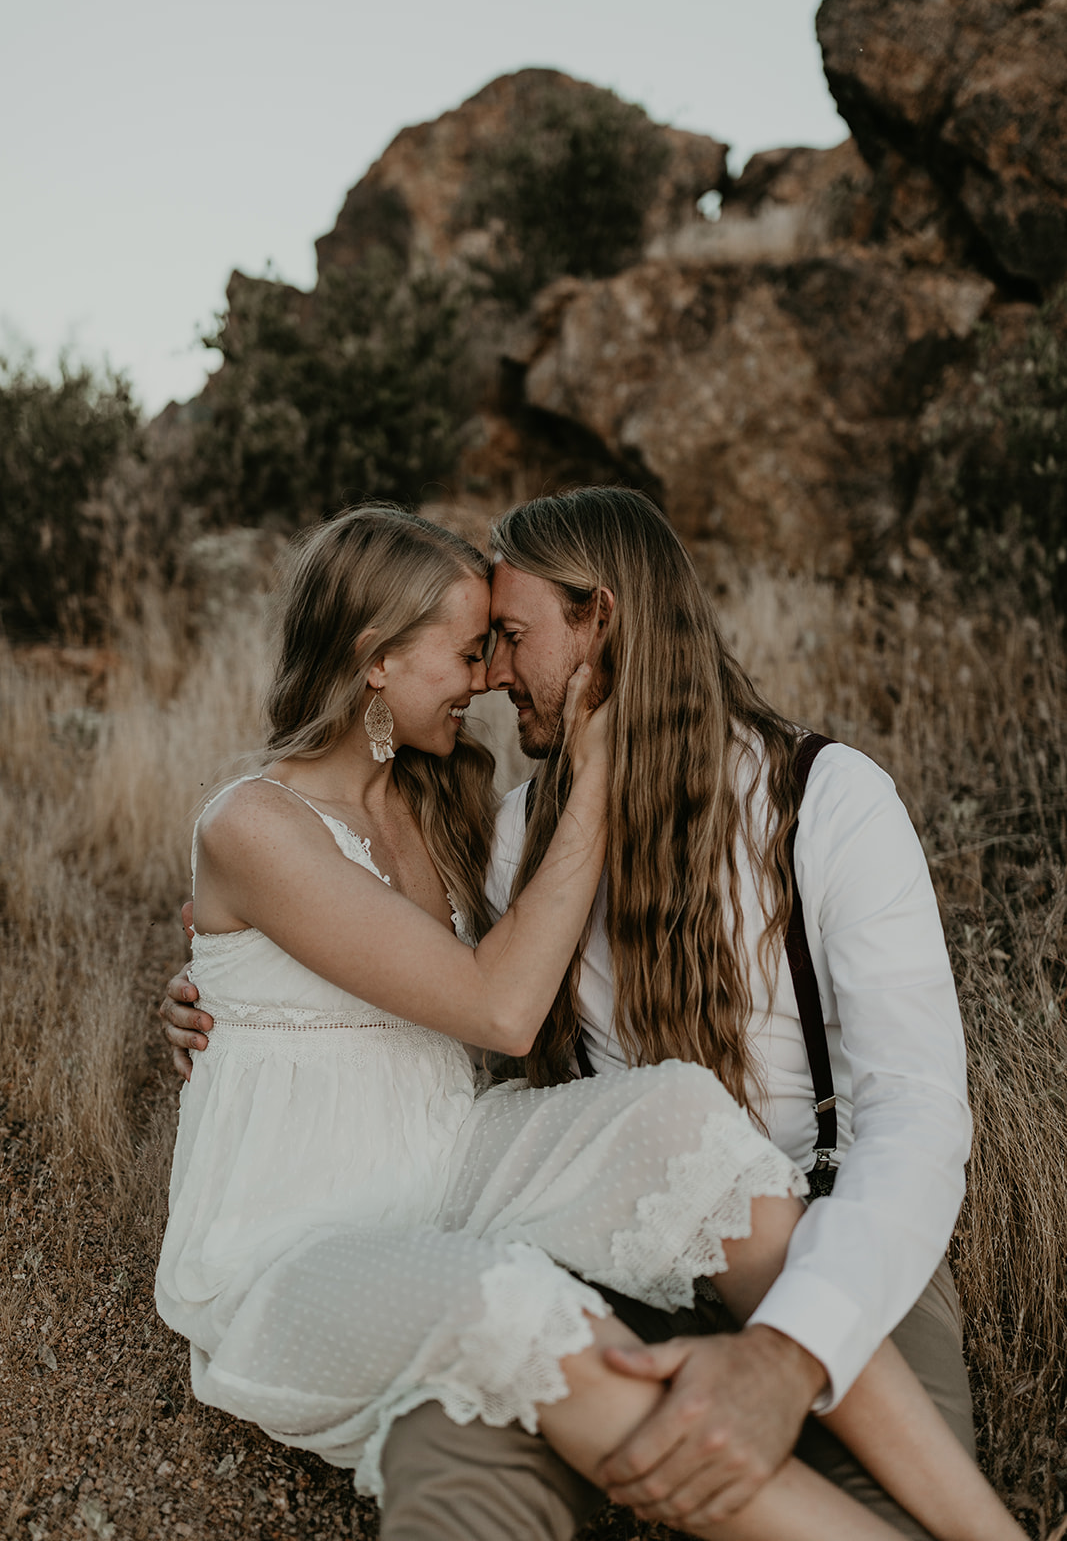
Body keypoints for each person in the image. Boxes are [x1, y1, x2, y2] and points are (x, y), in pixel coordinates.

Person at [160, 495, 997, 1541]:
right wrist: (218, 990)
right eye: (473, 649)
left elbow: (917, 1119)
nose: (493, 677)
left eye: (505, 641)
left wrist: (790, 1350)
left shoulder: (825, 803)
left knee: (681, 1125)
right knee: (468, 1425)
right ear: (377, 659)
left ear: (596, 625)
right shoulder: (512, 831)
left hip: (808, 1235)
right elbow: (442, 985)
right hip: (505, 1231)